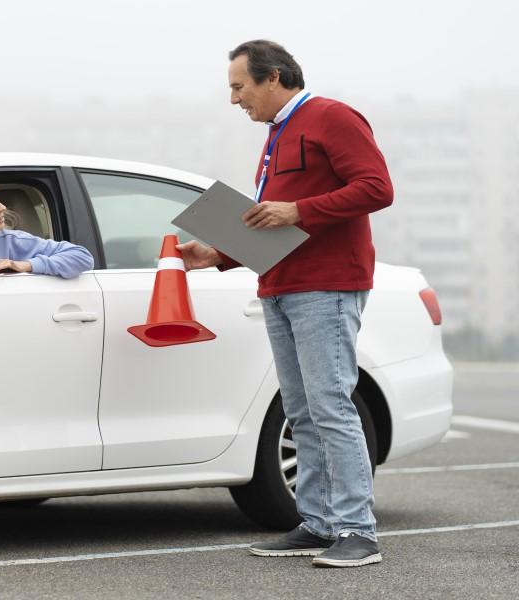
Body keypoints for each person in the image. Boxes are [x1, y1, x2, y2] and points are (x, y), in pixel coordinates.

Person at [178, 40, 393, 568]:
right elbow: (272, 223)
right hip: (280, 286)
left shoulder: (331, 117)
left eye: (239, 87)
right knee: (301, 410)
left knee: (330, 405)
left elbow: (376, 188)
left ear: (273, 78)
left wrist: (297, 209)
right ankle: (318, 524)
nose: (234, 100)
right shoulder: (278, 134)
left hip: (326, 286)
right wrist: (218, 254)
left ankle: (357, 532)